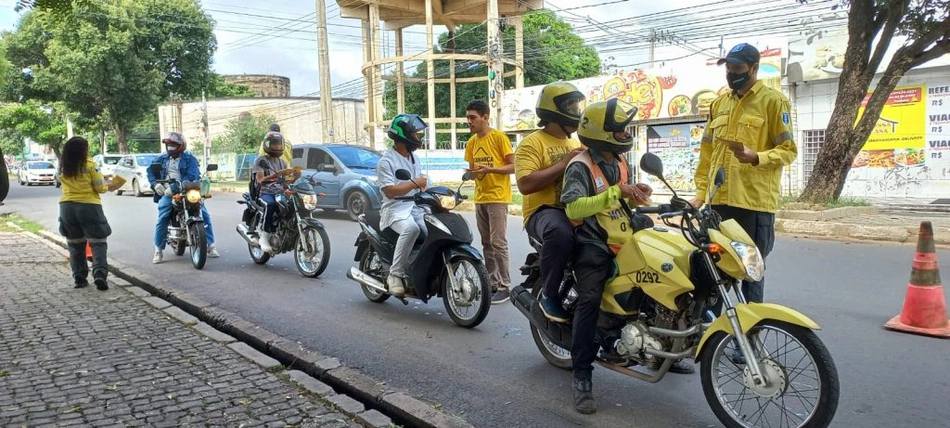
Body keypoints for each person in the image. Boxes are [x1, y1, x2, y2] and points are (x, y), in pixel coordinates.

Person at [559, 99, 656, 414]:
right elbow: (574, 208)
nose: (624, 133)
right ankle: (582, 374)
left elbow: (619, 202)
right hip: (592, 242)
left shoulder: (619, 161)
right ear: (602, 133)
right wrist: (617, 192)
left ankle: (662, 349)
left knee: (660, 275)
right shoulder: (580, 165)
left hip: (624, 236)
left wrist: (636, 195)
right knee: (590, 300)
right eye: (619, 129)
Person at [690, 43, 798, 304]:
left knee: (751, 274)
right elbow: (707, 153)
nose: (731, 73)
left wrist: (757, 157)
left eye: (737, 68)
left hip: (752, 204)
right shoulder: (719, 104)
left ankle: (749, 338)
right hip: (718, 203)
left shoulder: (773, 101)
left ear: (754, 68)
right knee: (713, 275)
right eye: (728, 68)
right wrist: (701, 193)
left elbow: (788, 150)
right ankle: (711, 336)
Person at [514, 81, 586, 323]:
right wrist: (563, 164)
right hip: (543, 212)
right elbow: (525, 185)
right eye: (571, 106)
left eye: (577, 105)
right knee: (559, 232)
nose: (577, 111)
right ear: (554, 111)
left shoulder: (577, 143)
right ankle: (550, 295)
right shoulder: (531, 143)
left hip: (575, 208)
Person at [463, 99, 514, 304]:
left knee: (498, 242)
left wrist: (490, 170)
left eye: (473, 117)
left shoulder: (499, 138)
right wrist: (470, 175)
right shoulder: (472, 143)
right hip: (480, 197)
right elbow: (475, 171)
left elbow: (513, 167)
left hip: (498, 197)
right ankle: (492, 283)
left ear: (485, 117)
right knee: (486, 243)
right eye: (467, 118)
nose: (469, 121)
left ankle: (505, 285)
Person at [58, 136, 121, 290]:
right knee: (98, 242)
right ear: (83, 150)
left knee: (75, 244)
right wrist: (109, 183)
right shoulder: (91, 165)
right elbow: (100, 188)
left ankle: (79, 278)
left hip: (67, 207)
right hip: (89, 207)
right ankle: (99, 274)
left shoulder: (63, 166)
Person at [377, 113, 429, 298]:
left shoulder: (414, 158)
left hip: (415, 206)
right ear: (403, 136)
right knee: (411, 230)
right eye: (415, 134)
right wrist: (415, 183)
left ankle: (420, 270)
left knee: (433, 229)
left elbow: (423, 183)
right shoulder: (386, 161)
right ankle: (395, 274)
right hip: (395, 209)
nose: (418, 137)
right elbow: (389, 191)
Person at [148, 132, 220, 263]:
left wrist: (176, 186)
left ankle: (211, 245)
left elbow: (193, 176)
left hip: (187, 190)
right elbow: (150, 171)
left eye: (173, 145)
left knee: (204, 214)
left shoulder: (189, 159)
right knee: (163, 216)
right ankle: (158, 250)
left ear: (181, 146)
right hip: (168, 193)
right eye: (168, 145)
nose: (170, 148)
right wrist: (155, 184)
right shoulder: (162, 159)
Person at [252, 131, 295, 254]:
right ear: (267, 145)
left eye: (279, 144)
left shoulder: (282, 162)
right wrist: (277, 174)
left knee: (293, 204)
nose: (277, 147)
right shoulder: (260, 161)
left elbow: (286, 181)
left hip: (279, 192)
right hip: (264, 193)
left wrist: (295, 176)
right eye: (274, 144)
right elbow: (260, 180)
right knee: (270, 204)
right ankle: (264, 236)